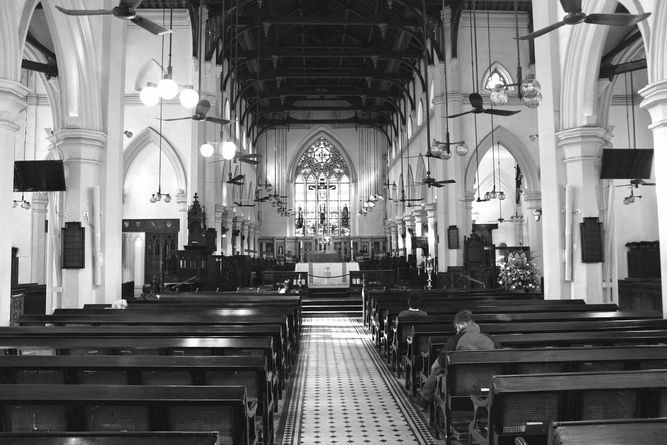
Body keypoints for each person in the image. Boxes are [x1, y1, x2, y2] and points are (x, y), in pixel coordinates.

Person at [410, 309, 500, 410]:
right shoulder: (491, 339)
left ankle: (423, 400)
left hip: (458, 391)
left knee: (437, 371)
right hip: (489, 391)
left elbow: (436, 367)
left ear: (458, 325)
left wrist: (425, 395)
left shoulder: (455, 340)